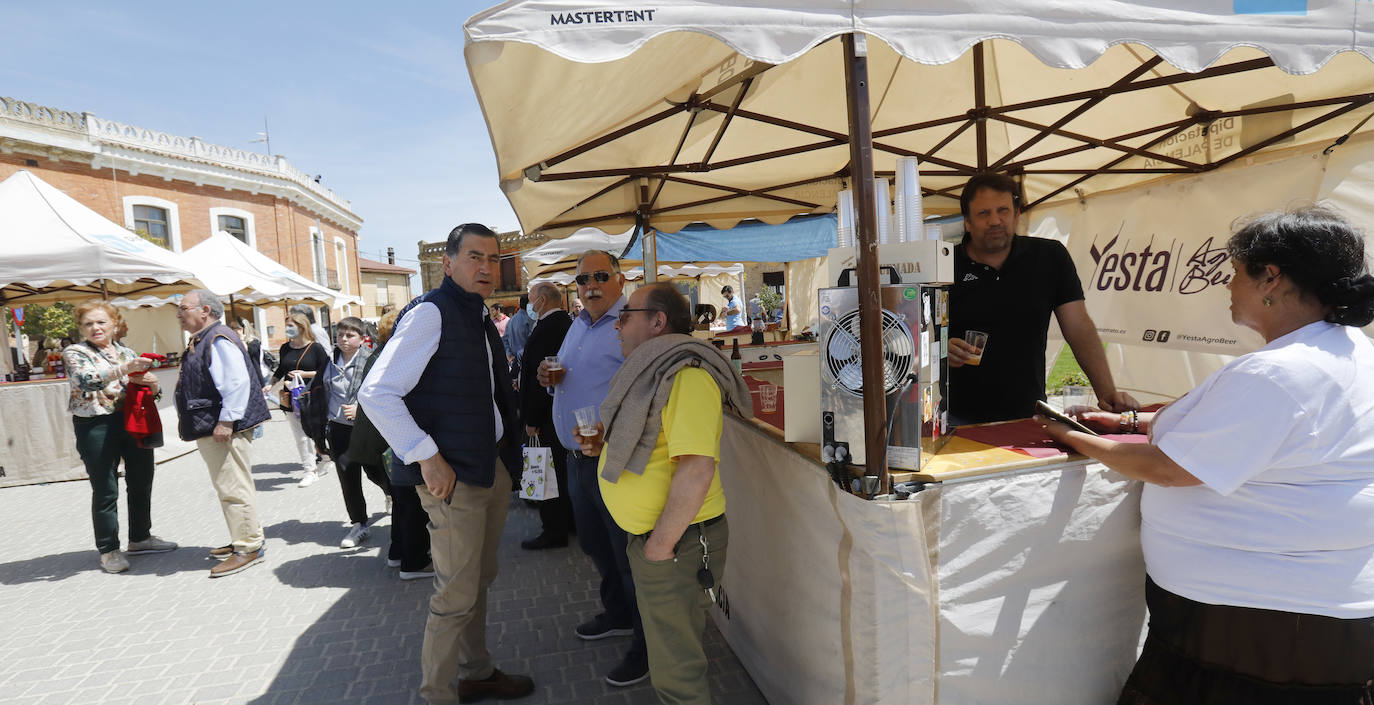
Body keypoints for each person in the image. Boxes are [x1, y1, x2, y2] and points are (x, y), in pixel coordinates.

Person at [1037, 206, 1374, 705]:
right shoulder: (1348, 351)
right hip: (1294, 621)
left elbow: (1171, 471)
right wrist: (1131, 423)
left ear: (1270, 279)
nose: (1227, 285)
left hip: (1257, 629)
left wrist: (1073, 438)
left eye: (1235, 272)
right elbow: (1260, 436)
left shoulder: (1278, 374)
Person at [358, 223, 534, 704]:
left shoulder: (474, 315)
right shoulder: (433, 313)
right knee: (455, 595)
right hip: (454, 475)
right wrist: (426, 456)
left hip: (486, 466)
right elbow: (376, 392)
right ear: (449, 263)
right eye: (474, 256)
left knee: (477, 580)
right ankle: (437, 694)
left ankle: (476, 672)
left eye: (492, 259)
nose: (485, 267)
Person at [575, 282, 752, 705]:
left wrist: (659, 546)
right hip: (666, 542)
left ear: (657, 322)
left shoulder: (687, 378)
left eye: (626, 316)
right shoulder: (656, 373)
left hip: (676, 544)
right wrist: (605, 447)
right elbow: (658, 447)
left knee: (677, 672)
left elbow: (697, 468)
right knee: (671, 653)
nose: (616, 325)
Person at [537, 250, 648, 687]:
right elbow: (572, 380)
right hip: (576, 459)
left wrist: (612, 433)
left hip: (612, 460)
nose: (590, 285)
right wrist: (551, 382)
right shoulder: (578, 323)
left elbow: (646, 392)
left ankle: (646, 646)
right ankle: (618, 614)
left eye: (600, 276)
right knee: (596, 547)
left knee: (626, 556)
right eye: (582, 279)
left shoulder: (632, 323)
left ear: (621, 280)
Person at [947, 173, 1138, 423]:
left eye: (1003, 210)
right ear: (967, 222)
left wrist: (1107, 394)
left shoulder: (1049, 257)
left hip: (1028, 415)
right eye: (984, 213)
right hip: (955, 419)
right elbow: (915, 337)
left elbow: (1079, 328)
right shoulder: (944, 264)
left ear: (1017, 215)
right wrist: (941, 350)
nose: (995, 220)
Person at [63, 302, 176, 574]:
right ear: (81, 328)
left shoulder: (126, 351)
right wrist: (126, 369)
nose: (95, 328)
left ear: (114, 323)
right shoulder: (75, 352)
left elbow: (145, 390)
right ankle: (108, 549)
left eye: (101, 322)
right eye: (88, 323)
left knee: (141, 478)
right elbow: (87, 380)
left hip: (131, 420)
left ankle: (140, 537)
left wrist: (154, 385)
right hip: (95, 425)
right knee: (105, 488)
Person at [174, 289, 271, 578]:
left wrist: (226, 422)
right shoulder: (209, 338)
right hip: (215, 425)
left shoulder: (217, 338)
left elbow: (236, 383)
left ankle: (248, 547)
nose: (179, 313)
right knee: (230, 485)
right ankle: (245, 536)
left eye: (183, 307)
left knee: (233, 487)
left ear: (204, 310)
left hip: (223, 428)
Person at [347, 308, 432, 580]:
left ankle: (398, 553)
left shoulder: (380, 353)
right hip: (389, 440)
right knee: (409, 501)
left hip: (375, 442)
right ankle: (413, 561)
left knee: (401, 500)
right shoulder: (393, 355)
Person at [324, 316, 392, 549]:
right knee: (348, 478)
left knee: (375, 471)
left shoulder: (370, 360)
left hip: (365, 429)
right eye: (340, 334)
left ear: (362, 339)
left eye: (349, 335)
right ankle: (359, 524)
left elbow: (381, 391)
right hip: (338, 429)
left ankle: (390, 493)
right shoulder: (330, 360)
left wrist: (361, 409)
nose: (343, 339)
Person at [518, 282, 574, 550]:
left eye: (531, 300)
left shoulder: (550, 327)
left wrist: (532, 419)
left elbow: (541, 378)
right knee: (560, 472)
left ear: (541, 300)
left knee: (548, 475)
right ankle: (568, 523)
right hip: (557, 414)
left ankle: (554, 530)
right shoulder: (566, 323)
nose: (529, 305)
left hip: (547, 417)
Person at [269, 313, 332, 487]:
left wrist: (304, 374)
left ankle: (326, 457)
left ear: (302, 327)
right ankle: (309, 470)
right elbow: (281, 368)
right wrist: (270, 384)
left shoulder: (315, 348)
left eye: (291, 325)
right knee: (301, 437)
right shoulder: (284, 348)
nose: (288, 329)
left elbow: (326, 370)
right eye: (287, 325)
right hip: (290, 398)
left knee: (316, 434)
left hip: (312, 397)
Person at [502, 293, 535, 369]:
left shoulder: (511, 320)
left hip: (514, 361)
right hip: (527, 360)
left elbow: (505, 339)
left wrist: (509, 354)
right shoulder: (530, 320)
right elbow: (533, 341)